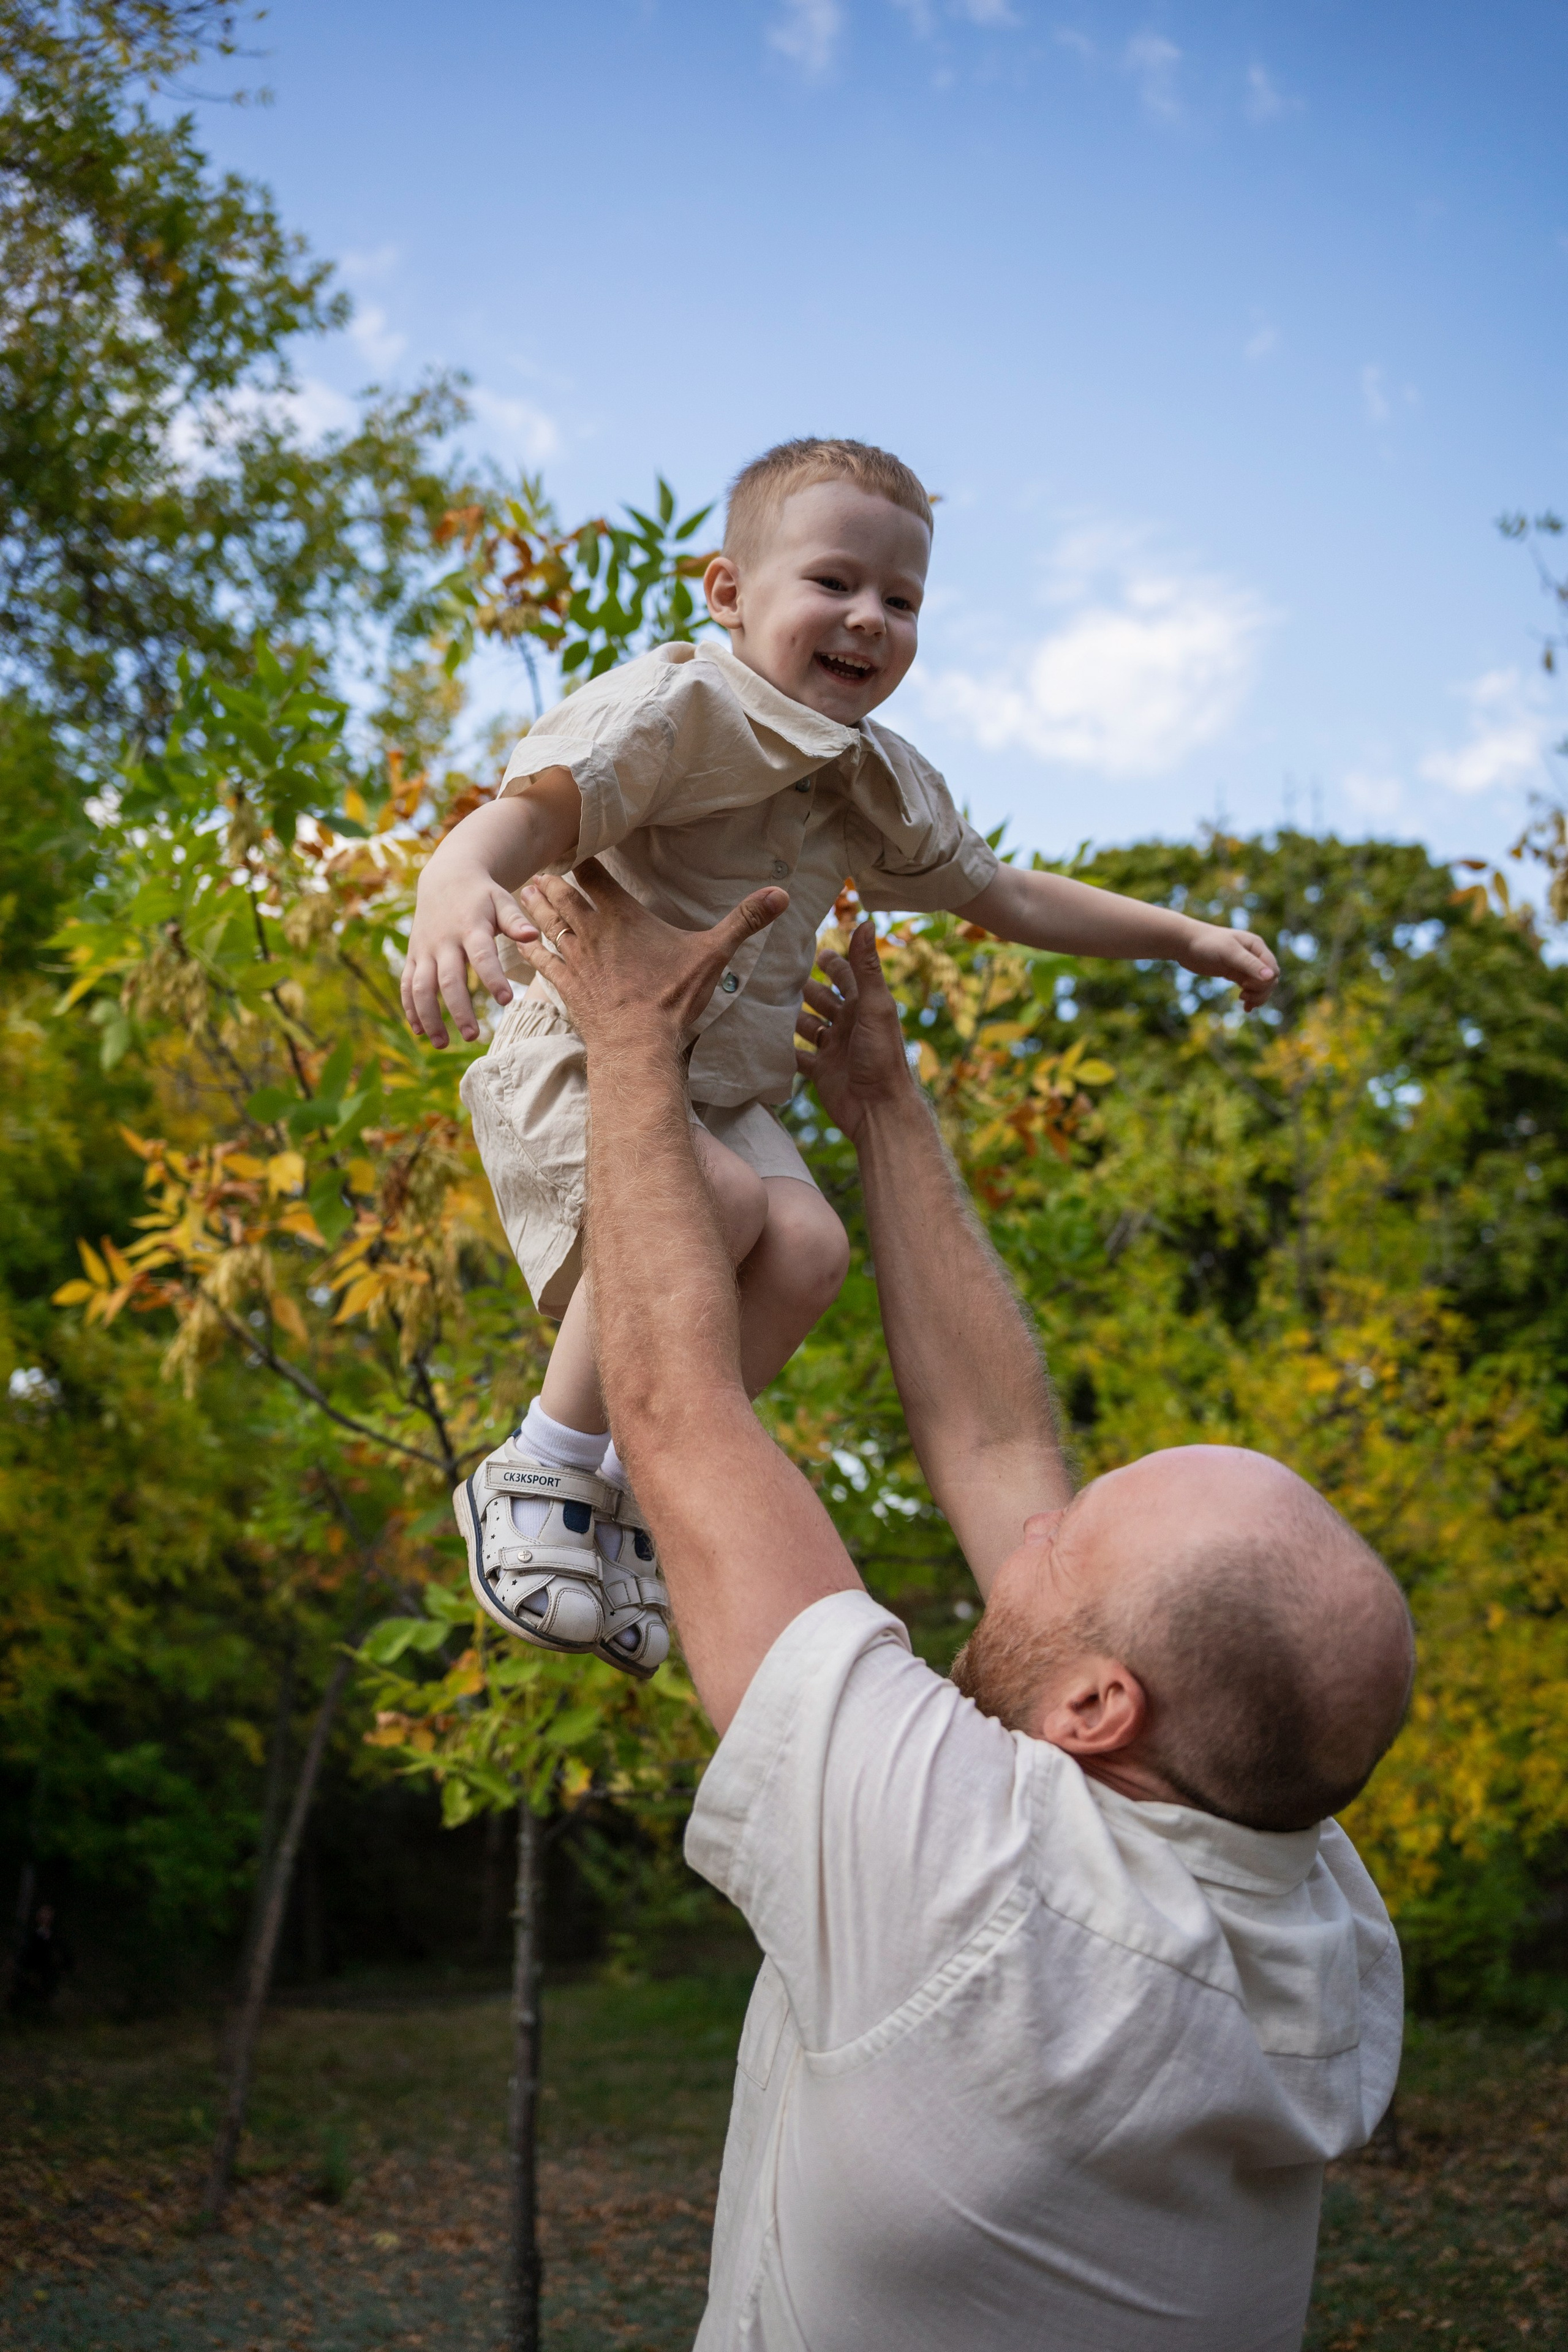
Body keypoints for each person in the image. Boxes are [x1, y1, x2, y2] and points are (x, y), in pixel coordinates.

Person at [510, 860, 1413, 2352]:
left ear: (1098, 1706)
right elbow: (998, 1447)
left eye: (1067, 1548)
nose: (1030, 1533)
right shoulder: (1298, 1884)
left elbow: (675, 1413)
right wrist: (879, 1102)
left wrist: (622, 1035)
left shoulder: (973, 1899)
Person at [401, 436, 1281, 1679]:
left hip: (724, 1095)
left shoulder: (866, 779)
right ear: (727, 594)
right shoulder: (678, 709)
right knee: (703, 1199)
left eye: (901, 599)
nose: (868, 617)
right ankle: (540, 1462)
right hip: (594, 1060)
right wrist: (456, 879)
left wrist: (1175, 936)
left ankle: (648, 1494)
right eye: (833, 583)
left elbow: (996, 896)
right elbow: (535, 812)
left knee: (808, 1249)